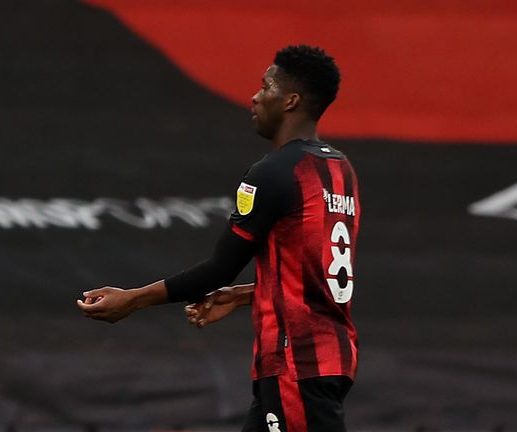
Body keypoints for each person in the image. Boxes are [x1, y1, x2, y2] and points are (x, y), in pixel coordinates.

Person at [77, 44, 360, 432]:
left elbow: (218, 268)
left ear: (290, 101)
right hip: (326, 358)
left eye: (266, 86)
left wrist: (133, 299)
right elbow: (321, 273)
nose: (255, 96)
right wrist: (244, 295)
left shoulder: (274, 172)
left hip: (297, 363)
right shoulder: (339, 169)